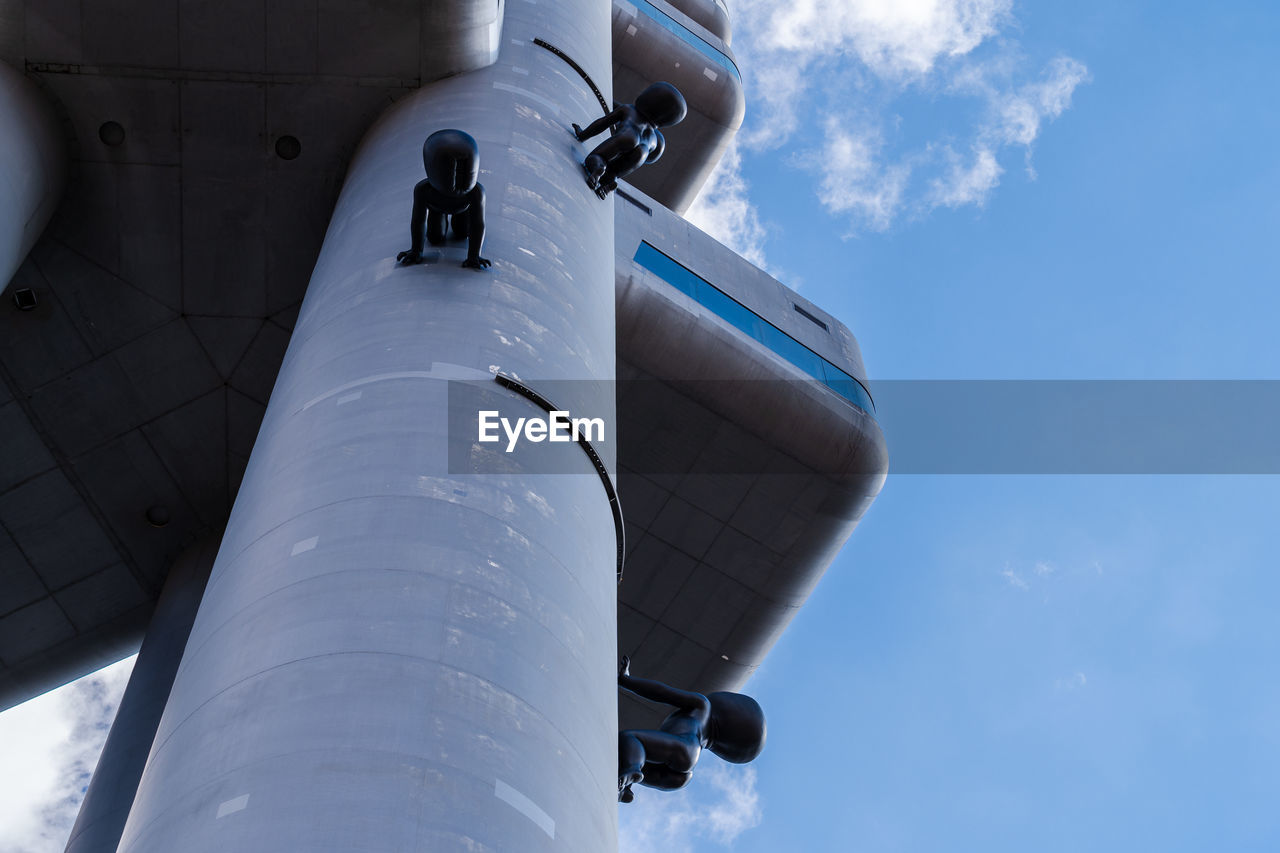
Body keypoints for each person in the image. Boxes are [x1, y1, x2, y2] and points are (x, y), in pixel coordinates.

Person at [616, 655, 765, 803]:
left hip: (682, 743)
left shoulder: (702, 705)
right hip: (686, 769)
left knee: (631, 739)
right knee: (640, 764)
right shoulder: (704, 736)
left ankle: (631, 770)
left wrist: (627, 681)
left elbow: (661, 693)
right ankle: (625, 787)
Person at [572, 82, 687, 199]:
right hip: (643, 150)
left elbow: (602, 123)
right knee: (614, 172)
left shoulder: (628, 110)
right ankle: (608, 184)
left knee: (597, 157)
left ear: (646, 98)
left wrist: (582, 135)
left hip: (628, 136)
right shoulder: (655, 140)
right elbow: (652, 158)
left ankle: (597, 168)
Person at [396, 129, 491, 270]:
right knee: (435, 237)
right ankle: (443, 220)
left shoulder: (475, 192)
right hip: (440, 208)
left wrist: (474, 256)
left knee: (462, 233)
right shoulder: (424, 190)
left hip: (459, 208)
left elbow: (478, 224)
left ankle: (448, 221)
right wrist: (416, 250)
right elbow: (418, 221)